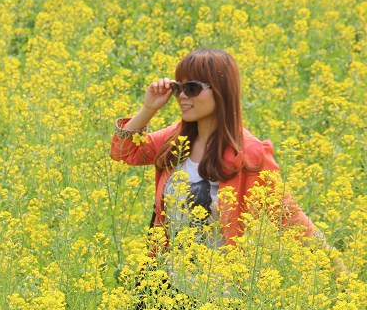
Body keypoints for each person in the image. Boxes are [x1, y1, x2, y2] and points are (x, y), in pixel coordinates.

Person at [110, 48, 322, 250]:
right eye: (178, 88)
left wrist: (338, 272)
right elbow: (124, 152)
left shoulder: (249, 153)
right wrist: (148, 109)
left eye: (192, 88)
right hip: (165, 283)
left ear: (220, 91)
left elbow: (291, 218)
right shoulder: (176, 138)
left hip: (222, 285)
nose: (182, 96)